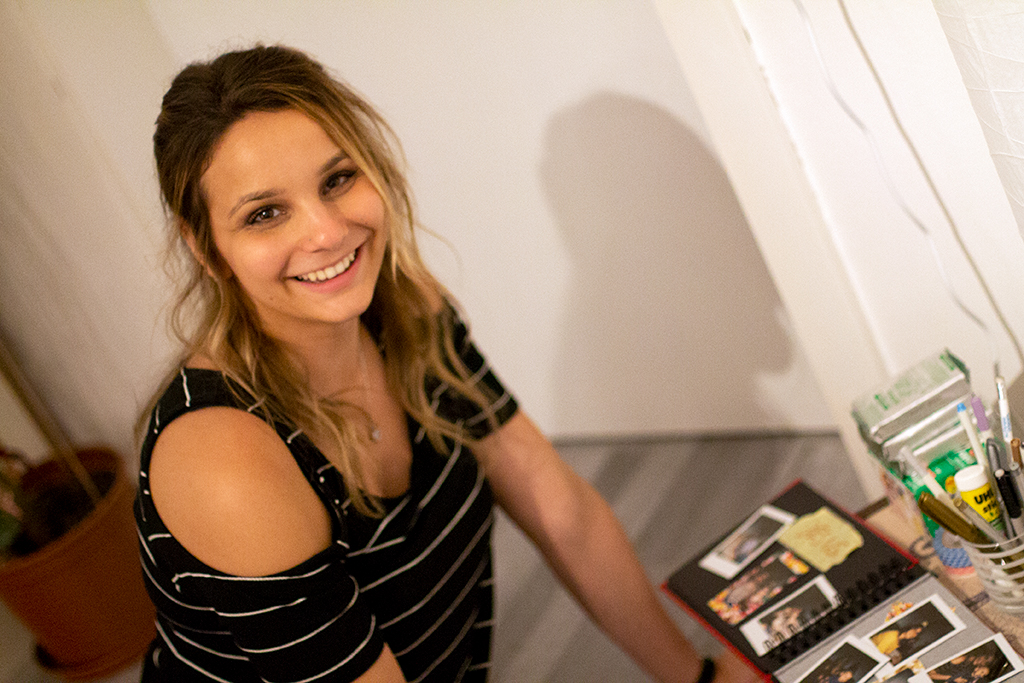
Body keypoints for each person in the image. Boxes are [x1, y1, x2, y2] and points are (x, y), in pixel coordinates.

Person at [134, 44, 757, 683]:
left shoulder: (410, 315)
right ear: (205, 246)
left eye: (337, 180)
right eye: (265, 214)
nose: (326, 232)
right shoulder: (224, 460)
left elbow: (560, 511)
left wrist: (697, 678)